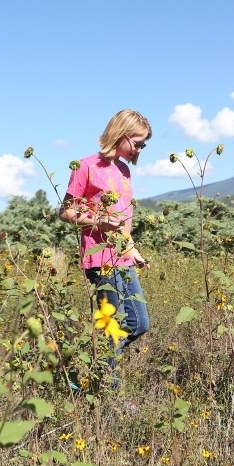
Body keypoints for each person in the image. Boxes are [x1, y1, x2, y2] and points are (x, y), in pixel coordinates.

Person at [59, 109, 152, 364]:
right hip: (100, 259)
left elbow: (122, 220)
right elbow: (65, 211)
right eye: (137, 143)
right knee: (112, 329)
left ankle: (92, 367)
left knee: (138, 323)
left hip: (123, 257)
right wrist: (97, 222)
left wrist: (132, 248)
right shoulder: (86, 166)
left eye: (143, 145)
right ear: (120, 134)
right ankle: (103, 385)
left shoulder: (124, 170)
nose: (139, 150)